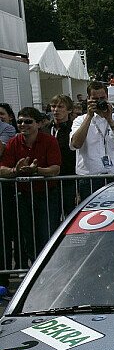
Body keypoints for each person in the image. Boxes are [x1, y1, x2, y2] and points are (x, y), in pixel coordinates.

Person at [0, 107, 61, 269]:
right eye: (20, 121)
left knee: (47, 233)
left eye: (28, 121)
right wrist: (15, 171)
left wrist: (36, 170)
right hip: (23, 196)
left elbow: (55, 169)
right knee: (27, 236)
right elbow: (2, 169)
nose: (22, 124)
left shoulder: (49, 141)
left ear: (38, 124)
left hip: (47, 195)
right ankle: (34, 270)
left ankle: (49, 269)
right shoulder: (13, 142)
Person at [70, 81, 114, 187]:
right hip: (89, 178)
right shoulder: (80, 120)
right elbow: (76, 144)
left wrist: (110, 121)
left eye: (102, 98)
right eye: (95, 99)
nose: (99, 102)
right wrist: (89, 116)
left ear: (107, 97)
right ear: (88, 99)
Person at [49, 95, 77, 214]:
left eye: (60, 107)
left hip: (70, 180)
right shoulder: (45, 128)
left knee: (71, 215)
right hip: (50, 182)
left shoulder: (74, 128)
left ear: (69, 110)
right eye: (53, 106)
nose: (56, 110)